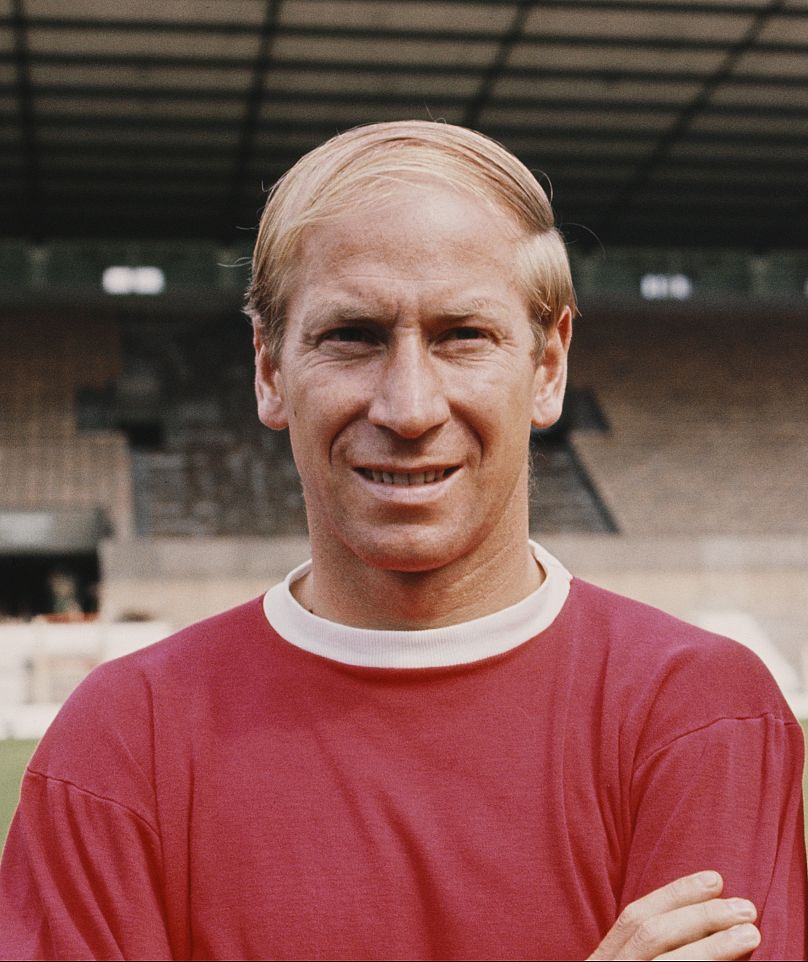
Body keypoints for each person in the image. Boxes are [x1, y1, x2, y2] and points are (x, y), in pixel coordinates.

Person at [1, 121, 805, 961]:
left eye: (464, 334)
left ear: (549, 366)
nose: (409, 407)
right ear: (270, 371)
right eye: (353, 336)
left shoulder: (697, 715)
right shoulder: (125, 741)